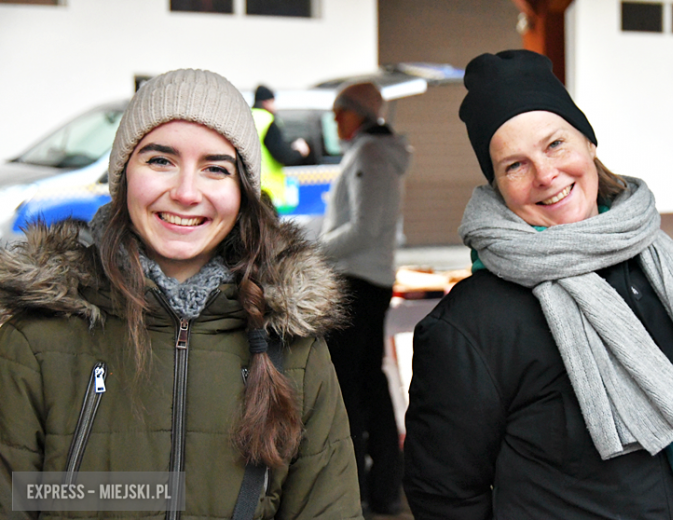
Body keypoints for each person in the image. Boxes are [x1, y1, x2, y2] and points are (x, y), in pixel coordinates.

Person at [403, 50, 673, 519]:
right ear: (497, 186)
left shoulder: (657, 264)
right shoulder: (471, 324)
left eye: (555, 144)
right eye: (514, 165)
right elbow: (444, 495)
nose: (545, 175)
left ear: (589, 143)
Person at [0, 69, 363, 520]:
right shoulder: (35, 338)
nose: (187, 193)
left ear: (242, 190)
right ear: (123, 176)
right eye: (159, 161)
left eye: (215, 169)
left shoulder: (295, 350)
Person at [319, 81, 411, 515]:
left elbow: (363, 228)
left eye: (341, 110)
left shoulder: (370, 156)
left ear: (359, 113)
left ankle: (358, 487)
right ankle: (379, 488)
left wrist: (311, 252)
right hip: (364, 281)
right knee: (368, 384)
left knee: (351, 389)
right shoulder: (369, 153)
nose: (335, 118)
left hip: (357, 284)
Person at [252, 85, 310, 213]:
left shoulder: (248, 117)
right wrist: (299, 152)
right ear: (267, 102)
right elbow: (282, 154)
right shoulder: (268, 120)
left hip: (250, 187)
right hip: (267, 191)